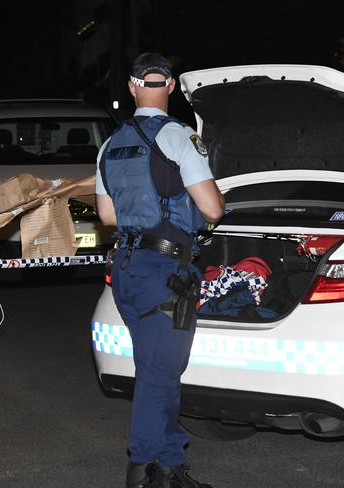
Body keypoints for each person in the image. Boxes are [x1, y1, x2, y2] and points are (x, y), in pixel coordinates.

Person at [95, 53, 225, 488]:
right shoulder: (179, 137)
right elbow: (211, 208)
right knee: (160, 374)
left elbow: (108, 215)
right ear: (169, 87)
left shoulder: (109, 145)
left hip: (128, 269)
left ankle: (169, 468)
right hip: (166, 271)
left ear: (132, 87)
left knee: (158, 371)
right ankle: (141, 467)